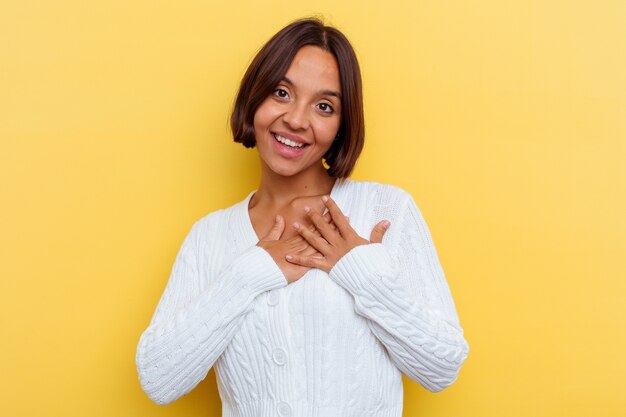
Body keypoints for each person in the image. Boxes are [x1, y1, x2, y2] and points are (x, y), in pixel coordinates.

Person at [136, 17, 469, 417]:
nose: (296, 119)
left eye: (324, 106)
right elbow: (159, 379)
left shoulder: (384, 210)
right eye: (281, 92)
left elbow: (442, 366)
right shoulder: (210, 236)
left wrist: (360, 270)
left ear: (341, 126)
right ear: (254, 97)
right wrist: (251, 273)